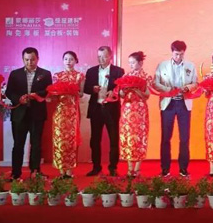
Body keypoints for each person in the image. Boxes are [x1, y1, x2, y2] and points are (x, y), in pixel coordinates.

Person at [5, 47, 53, 179]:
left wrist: (35, 95)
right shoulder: (15, 74)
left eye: (32, 59)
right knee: (18, 144)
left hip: (37, 113)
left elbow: (48, 90)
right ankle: (16, 173)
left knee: (36, 144)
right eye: (26, 60)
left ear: (38, 59)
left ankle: (35, 171)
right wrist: (18, 99)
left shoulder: (45, 74)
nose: (29, 62)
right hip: (19, 114)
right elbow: (9, 92)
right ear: (22, 59)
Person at [154, 40, 198, 177]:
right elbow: (156, 83)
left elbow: (195, 83)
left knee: (184, 138)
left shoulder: (190, 66)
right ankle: (165, 169)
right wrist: (169, 89)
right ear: (172, 52)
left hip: (184, 104)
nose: (179, 57)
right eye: (176, 54)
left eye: (181, 54)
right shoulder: (162, 65)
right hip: (168, 104)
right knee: (166, 137)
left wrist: (188, 88)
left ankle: (183, 169)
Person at [83, 46, 125, 177]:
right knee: (95, 139)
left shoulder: (118, 71)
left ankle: (113, 167)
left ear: (110, 56)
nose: (101, 59)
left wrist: (114, 92)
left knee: (114, 139)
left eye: (104, 56)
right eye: (99, 57)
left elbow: (121, 88)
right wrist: (92, 89)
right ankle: (96, 167)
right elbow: (85, 88)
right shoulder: (91, 71)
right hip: (96, 108)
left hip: (111, 109)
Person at [51, 51, 84, 178]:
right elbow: (53, 95)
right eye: (65, 59)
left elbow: (81, 94)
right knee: (59, 140)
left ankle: (69, 170)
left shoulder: (79, 76)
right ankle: (61, 171)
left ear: (76, 61)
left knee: (71, 141)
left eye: (71, 59)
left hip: (72, 112)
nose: (68, 61)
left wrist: (72, 91)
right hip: (60, 112)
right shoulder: (57, 76)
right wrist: (57, 92)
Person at [120, 51, 153, 177]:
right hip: (127, 110)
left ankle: (137, 169)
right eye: (129, 63)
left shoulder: (146, 77)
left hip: (140, 110)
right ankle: (129, 169)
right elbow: (121, 95)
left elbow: (146, 96)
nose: (131, 65)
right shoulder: (126, 76)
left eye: (133, 62)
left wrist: (136, 89)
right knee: (127, 136)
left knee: (140, 138)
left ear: (140, 63)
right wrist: (124, 90)